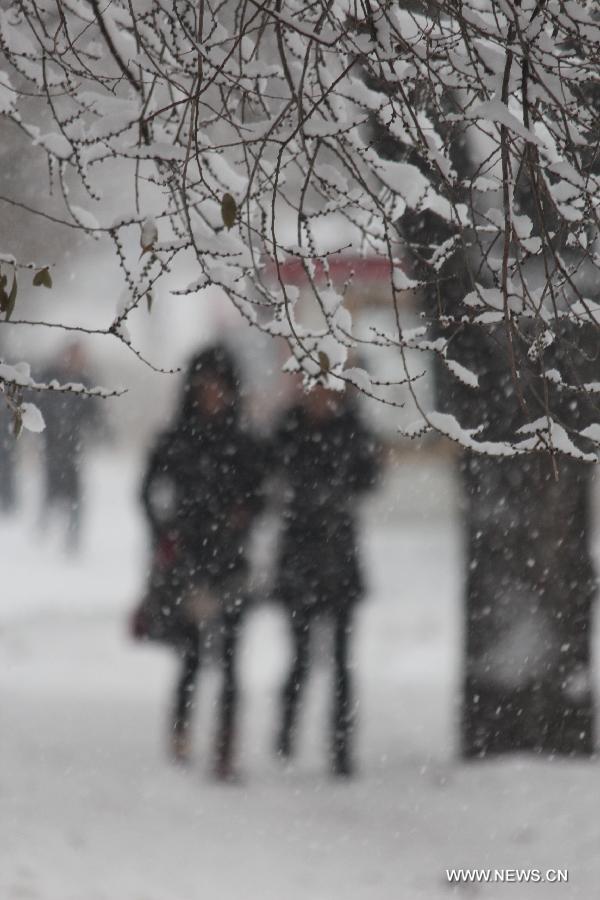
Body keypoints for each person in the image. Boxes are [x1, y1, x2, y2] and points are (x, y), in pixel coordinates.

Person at [134, 344, 265, 780]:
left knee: (230, 659)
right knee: (190, 656)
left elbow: (261, 498)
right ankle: (180, 736)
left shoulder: (245, 445)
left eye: (219, 385)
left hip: (230, 566)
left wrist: (242, 518)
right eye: (204, 385)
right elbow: (147, 494)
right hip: (185, 563)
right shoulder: (174, 440)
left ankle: (225, 747)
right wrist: (165, 534)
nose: (212, 394)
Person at [271, 382, 380, 777]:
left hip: (338, 559)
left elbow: (369, 478)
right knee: (299, 657)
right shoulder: (289, 429)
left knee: (341, 662)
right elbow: (272, 474)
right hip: (300, 559)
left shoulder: (353, 429)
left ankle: (341, 746)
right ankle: (286, 733)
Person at [37, 341, 101, 552]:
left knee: (75, 496)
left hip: (74, 449)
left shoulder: (85, 382)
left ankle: (72, 539)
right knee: (50, 492)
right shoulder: (48, 377)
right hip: (51, 445)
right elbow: (36, 404)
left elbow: (94, 414)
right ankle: (42, 533)